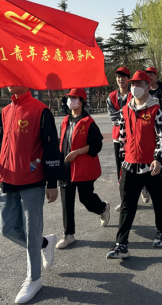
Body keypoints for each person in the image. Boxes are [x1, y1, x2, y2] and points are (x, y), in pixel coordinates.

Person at [0, 86, 61, 304]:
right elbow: (0, 145)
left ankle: (34, 279)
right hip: (7, 178)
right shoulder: (5, 112)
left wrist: (52, 183)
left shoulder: (40, 111)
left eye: (14, 77)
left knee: (32, 232)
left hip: (32, 180)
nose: (9, 82)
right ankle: (44, 243)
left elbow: (52, 148)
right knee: (6, 228)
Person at [107, 71, 162, 260]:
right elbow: (122, 137)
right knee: (127, 205)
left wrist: (159, 159)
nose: (135, 87)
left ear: (147, 86)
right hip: (130, 166)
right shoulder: (125, 110)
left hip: (152, 166)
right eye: (133, 84)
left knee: (159, 201)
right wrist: (122, 160)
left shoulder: (156, 110)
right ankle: (121, 245)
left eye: (139, 84)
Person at [56, 88, 109, 250]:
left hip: (82, 167)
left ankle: (102, 208)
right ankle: (68, 234)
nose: (70, 101)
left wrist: (77, 152)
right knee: (66, 202)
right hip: (66, 167)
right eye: (69, 98)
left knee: (86, 199)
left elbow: (96, 145)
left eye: (74, 98)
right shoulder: (66, 120)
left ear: (81, 101)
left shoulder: (88, 122)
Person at [107, 67, 150, 211]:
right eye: (118, 77)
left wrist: (125, 114)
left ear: (129, 79)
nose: (120, 79)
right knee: (121, 169)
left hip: (136, 136)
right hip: (118, 138)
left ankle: (144, 187)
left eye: (124, 77)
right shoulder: (111, 97)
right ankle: (124, 200)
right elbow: (114, 118)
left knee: (140, 165)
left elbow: (140, 110)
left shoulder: (135, 93)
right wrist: (126, 112)